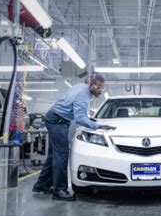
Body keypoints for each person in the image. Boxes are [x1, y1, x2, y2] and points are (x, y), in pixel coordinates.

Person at [32, 73, 115, 201]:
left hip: (53, 116)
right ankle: (59, 190)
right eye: (99, 87)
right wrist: (96, 126)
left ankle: (41, 185)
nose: (101, 90)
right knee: (62, 155)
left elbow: (79, 112)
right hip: (57, 121)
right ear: (92, 85)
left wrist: (90, 120)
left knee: (54, 155)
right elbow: (80, 118)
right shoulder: (83, 96)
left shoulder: (80, 86)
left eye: (102, 88)